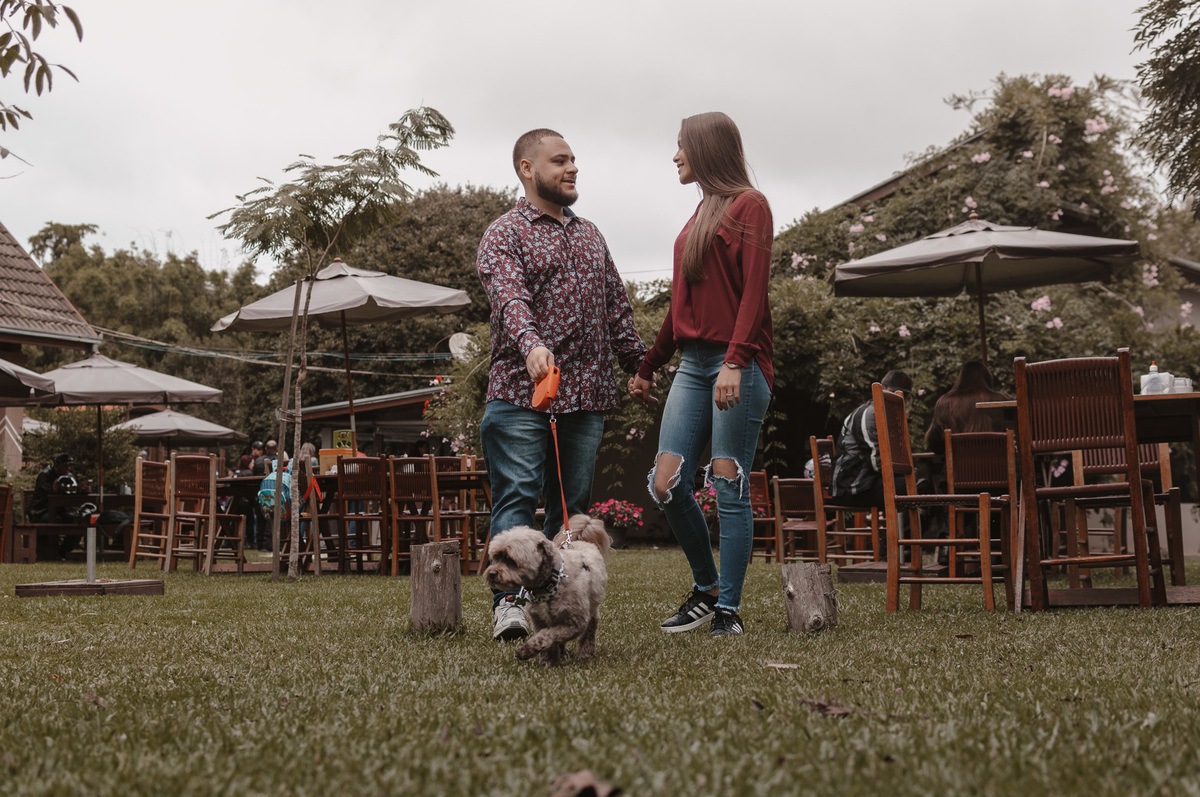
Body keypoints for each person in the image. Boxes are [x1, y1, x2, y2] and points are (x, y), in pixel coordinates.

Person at [477, 127, 647, 642]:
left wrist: (639, 364)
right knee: (516, 498)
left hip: (587, 397)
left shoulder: (591, 234)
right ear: (527, 169)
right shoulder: (504, 234)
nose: (572, 168)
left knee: (571, 513)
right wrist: (531, 344)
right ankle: (509, 606)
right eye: (559, 160)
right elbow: (510, 299)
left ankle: (565, 612)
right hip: (520, 394)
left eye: (574, 159)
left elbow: (616, 307)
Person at [629, 111, 773, 638]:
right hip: (692, 365)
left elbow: (754, 292)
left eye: (682, 145)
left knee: (728, 482)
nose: (675, 156)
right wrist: (649, 365)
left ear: (707, 149)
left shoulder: (750, 205)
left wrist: (736, 359)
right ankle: (707, 590)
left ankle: (728, 610)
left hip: (740, 363)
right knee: (665, 483)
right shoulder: (699, 216)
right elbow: (681, 307)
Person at [831, 369, 913, 511]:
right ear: (882, 389)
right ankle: (912, 526)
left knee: (917, 487)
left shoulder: (887, 416)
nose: (899, 398)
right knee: (914, 488)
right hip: (850, 487)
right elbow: (878, 462)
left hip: (867, 482)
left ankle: (907, 526)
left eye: (904, 395)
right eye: (894, 392)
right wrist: (908, 474)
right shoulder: (869, 414)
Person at [924, 360, 1010, 455]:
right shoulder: (1002, 400)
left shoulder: (945, 402)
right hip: (1000, 462)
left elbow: (935, 443)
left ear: (960, 379)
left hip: (957, 464)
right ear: (988, 378)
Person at [27, 452, 75, 523]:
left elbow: (71, 490)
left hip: (58, 511)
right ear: (57, 465)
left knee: (75, 519)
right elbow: (51, 494)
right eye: (65, 465)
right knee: (56, 520)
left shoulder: (67, 476)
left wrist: (80, 490)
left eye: (69, 465)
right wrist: (56, 488)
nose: (68, 468)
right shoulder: (45, 475)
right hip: (40, 512)